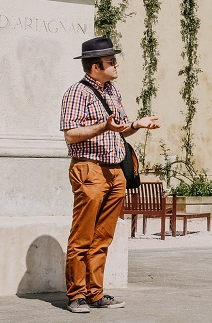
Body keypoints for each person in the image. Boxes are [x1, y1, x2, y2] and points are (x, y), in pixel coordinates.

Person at [60, 36, 160, 314]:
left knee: (103, 237)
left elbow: (120, 129)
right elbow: (70, 134)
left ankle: (96, 293)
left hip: (116, 171)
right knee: (82, 236)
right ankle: (76, 295)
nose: (116, 65)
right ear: (94, 67)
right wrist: (101, 127)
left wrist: (137, 125)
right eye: (110, 61)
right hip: (89, 169)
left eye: (114, 60)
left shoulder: (112, 92)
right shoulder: (76, 93)